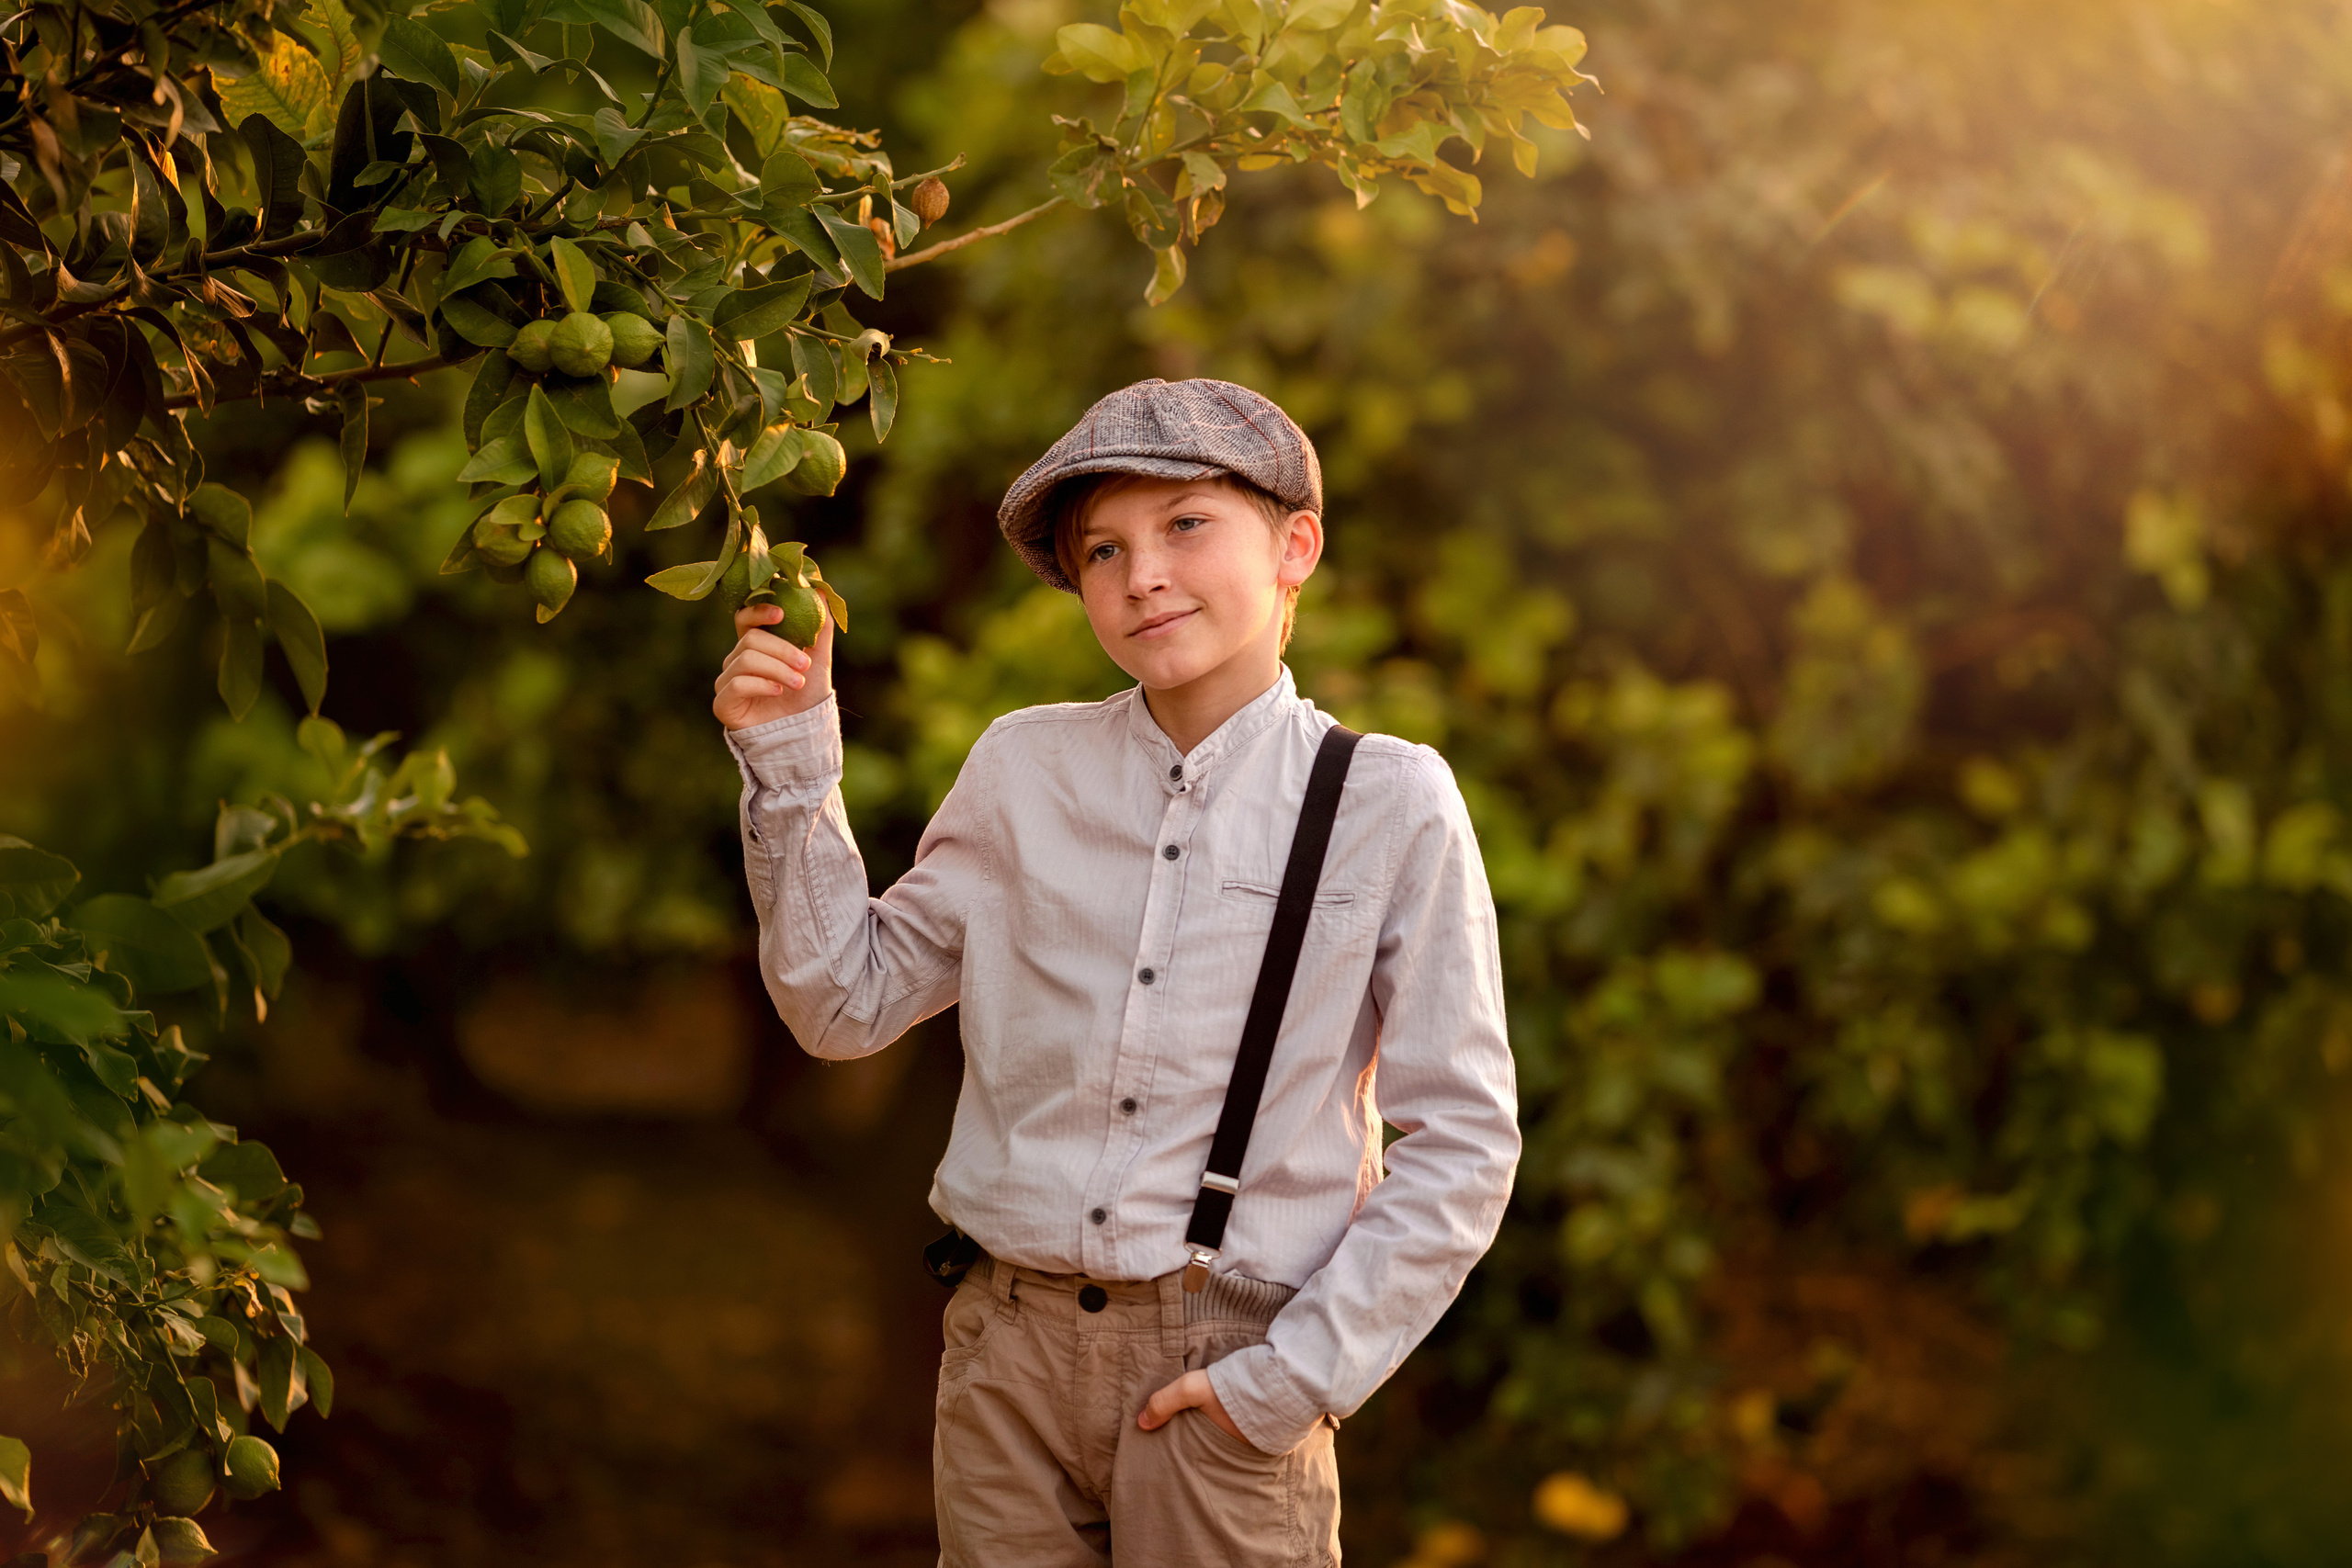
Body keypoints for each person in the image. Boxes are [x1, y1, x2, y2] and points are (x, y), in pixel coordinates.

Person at [712, 378, 1517, 1566]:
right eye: (1103, 549)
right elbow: (847, 1001)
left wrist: (1292, 1381)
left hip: (1228, 1371)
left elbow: (1462, 1140)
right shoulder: (1023, 769)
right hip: (1008, 1362)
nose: (1141, 573)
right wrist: (788, 755)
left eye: (1186, 525)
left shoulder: (1389, 802)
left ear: (1295, 546)